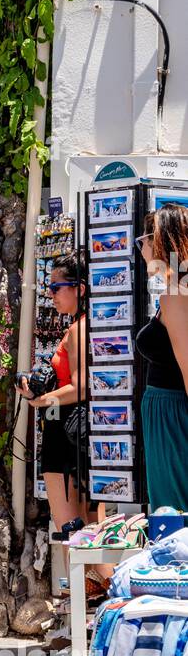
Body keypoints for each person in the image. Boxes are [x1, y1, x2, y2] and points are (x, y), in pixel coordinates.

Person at [17, 253, 92, 531]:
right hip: (72, 429)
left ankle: (99, 576)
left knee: (70, 532)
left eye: (55, 288)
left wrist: (39, 401)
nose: (51, 295)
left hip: (64, 431)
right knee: (87, 531)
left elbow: (81, 386)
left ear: (79, 289)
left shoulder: (77, 330)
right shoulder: (83, 325)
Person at [136, 204, 188, 510]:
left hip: (172, 415)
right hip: (167, 412)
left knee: (173, 511)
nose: (141, 247)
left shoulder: (175, 292)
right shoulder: (175, 289)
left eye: (144, 239)